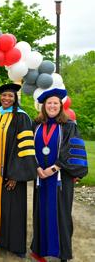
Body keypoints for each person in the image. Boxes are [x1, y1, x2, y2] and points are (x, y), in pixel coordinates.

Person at [30, 88, 88, 262]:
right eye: (49, 103)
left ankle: (63, 253)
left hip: (60, 178)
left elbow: (71, 150)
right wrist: (37, 167)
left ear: (61, 106)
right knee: (41, 211)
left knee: (61, 213)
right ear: (44, 106)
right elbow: (28, 148)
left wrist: (55, 168)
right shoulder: (37, 125)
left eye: (55, 103)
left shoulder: (69, 126)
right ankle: (40, 249)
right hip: (40, 176)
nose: (52, 106)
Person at [0, 83, 37, 258]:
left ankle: (15, 245)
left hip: (11, 174)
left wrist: (15, 175)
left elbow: (24, 147)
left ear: (15, 98)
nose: (7, 98)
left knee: (13, 209)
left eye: (10, 96)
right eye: (4, 95)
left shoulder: (21, 118)